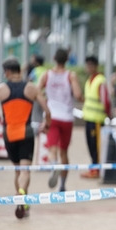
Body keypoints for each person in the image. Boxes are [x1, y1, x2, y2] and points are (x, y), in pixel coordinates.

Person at [0, 58, 51, 219]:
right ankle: (22, 194)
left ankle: (20, 198)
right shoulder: (31, 88)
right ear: (19, 70)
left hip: (9, 134)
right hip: (26, 133)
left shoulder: (0, 90)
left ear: (7, 71)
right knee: (25, 170)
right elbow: (47, 111)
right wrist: (46, 125)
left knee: (17, 170)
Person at [38, 49, 84, 191]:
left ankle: (54, 165)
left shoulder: (46, 74)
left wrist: (45, 98)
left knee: (52, 149)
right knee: (64, 152)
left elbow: (36, 92)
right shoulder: (71, 76)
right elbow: (78, 94)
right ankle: (62, 185)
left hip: (52, 117)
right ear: (67, 60)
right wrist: (83, 100)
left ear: (54, 58)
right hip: (66, 118)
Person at [80, 56, 110, 179]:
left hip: (97, 119)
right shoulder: (89, 80)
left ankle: (96, 169)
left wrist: (108, 114)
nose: (88, 68)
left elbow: (105, 100)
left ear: (95, 66)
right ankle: (93, 167)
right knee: (90, 145)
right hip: (89, 117)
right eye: (87, 65)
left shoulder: (100, 80)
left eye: (90, 65)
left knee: (96, 145)